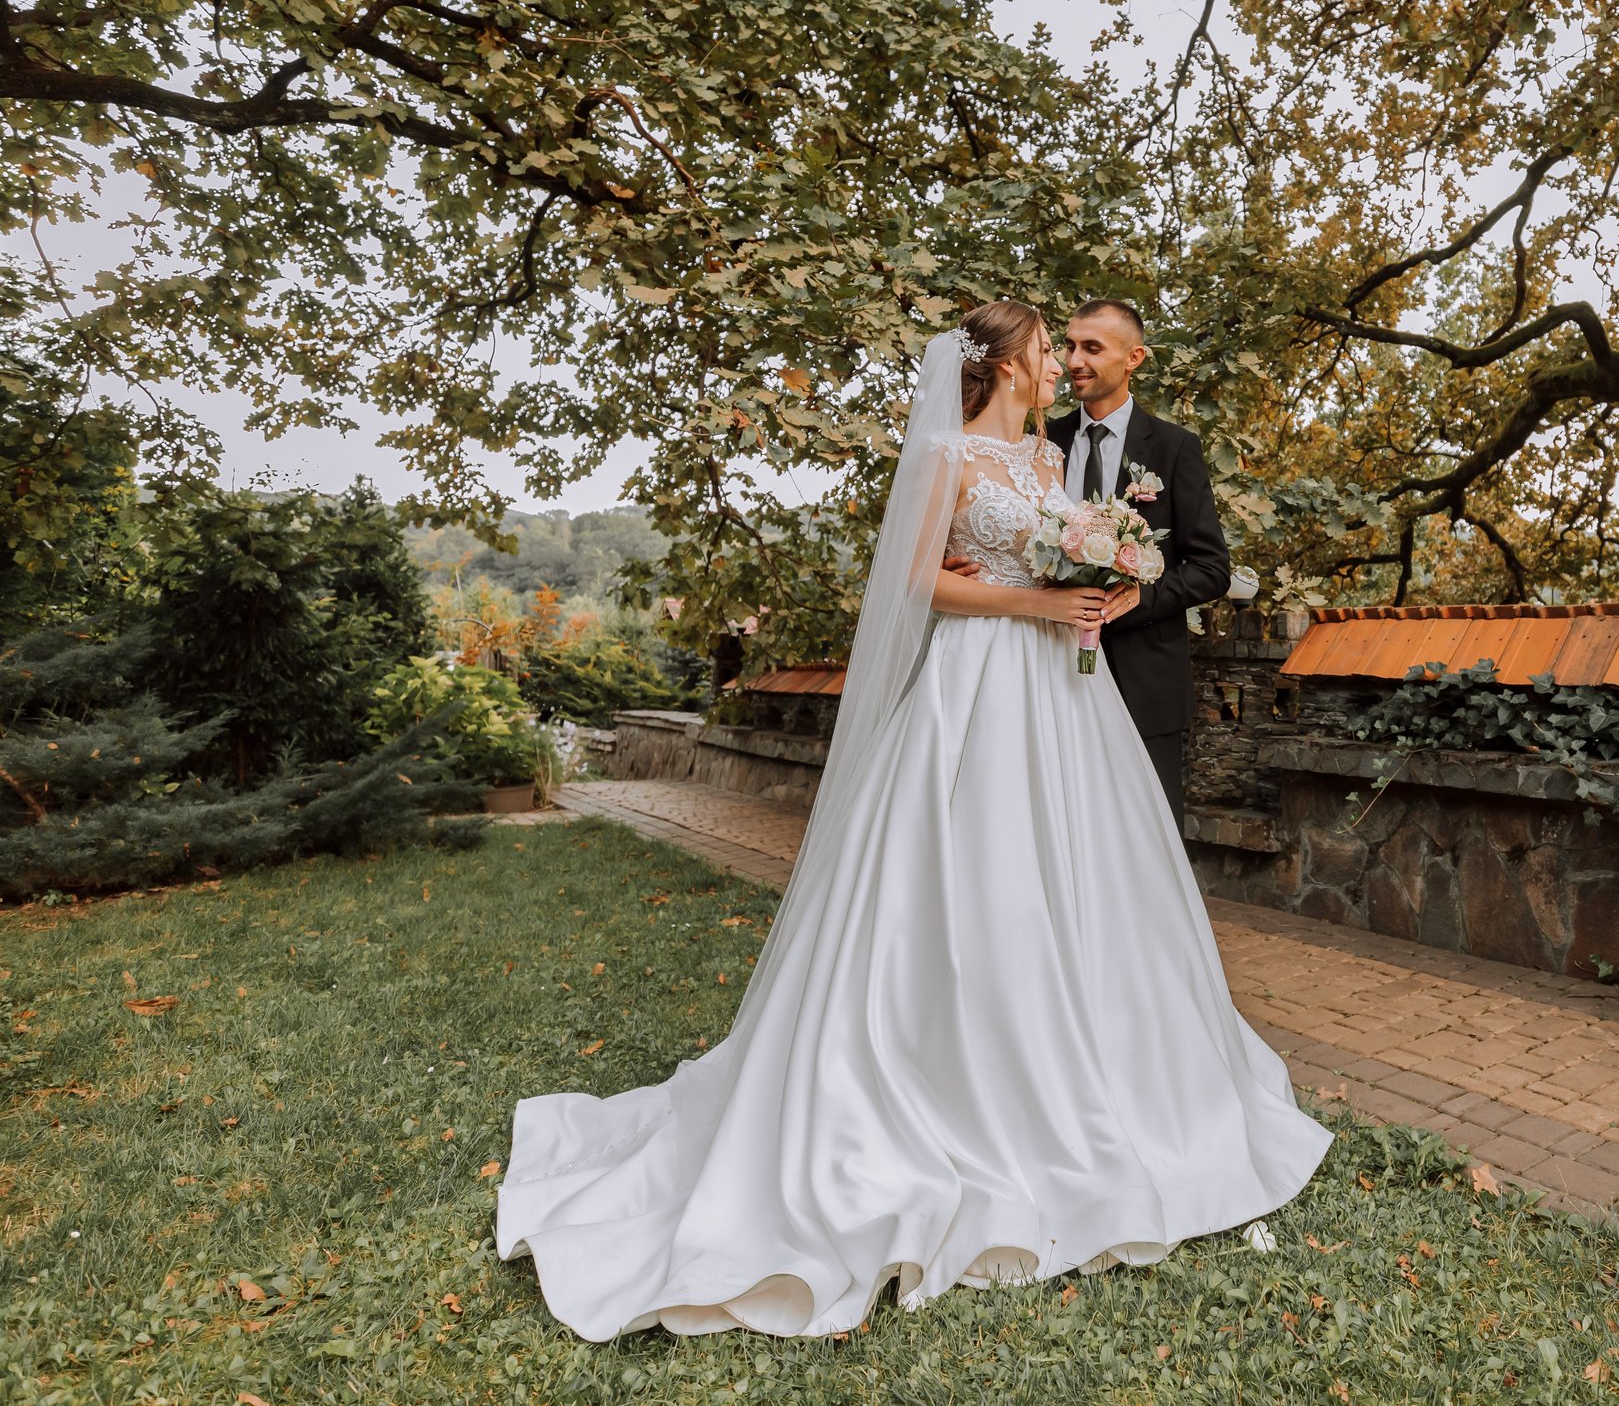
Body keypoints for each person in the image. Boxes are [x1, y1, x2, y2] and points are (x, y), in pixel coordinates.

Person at [493, 300, 1329, 1341]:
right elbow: (919, 581)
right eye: (1039, 351)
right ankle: (946, 1074)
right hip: (977, 685)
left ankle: (1089, 1070)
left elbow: (1100, 553)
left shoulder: (1045, 461)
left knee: (1071, 880)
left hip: (1065, 700)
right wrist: (1037, 604)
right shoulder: (948, 453)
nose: (1053, 365)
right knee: (964, 874)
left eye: (1067, 350)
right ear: (1002, 366)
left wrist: (1101, 568)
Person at [1044, 299, 1232, 826]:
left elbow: (1212, 567)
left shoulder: (1174, 449)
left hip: (1145, 680)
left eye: (1092, 348)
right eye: (1069, 345)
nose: (1074, 360)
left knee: (1148, 835)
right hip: (1047, 669)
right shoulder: (1040, 444)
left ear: (1135, 358)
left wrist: (1142, 595)